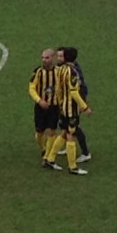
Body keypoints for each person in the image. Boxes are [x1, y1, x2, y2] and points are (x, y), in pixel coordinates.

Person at [43, 46, 93, 174]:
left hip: (62, 107)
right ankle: (73, 167)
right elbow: (74, 92)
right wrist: (85, 107)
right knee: (71, 135)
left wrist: (60, 102)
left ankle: (50, 158)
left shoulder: (60, 70)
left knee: (65, 132)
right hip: (71, 109)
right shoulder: (73, 72)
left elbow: (59, 89)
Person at [58, 46, 92, 163]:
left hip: (75, 102)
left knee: (74, 128)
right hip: (66, 102)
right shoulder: (64, 67)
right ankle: (69, 146)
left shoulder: (73, 70)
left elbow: (78, 89)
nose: (58, 58)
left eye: (61, 56)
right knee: (65, 126)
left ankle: (86, 153)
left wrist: (83, 106)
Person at [29, 48, 59, 163]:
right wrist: (39, 100)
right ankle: (44, 148)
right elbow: (31, 88)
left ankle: (48, 156)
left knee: (52, 130)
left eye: (47, 58)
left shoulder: (59, 71)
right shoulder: (38, 72)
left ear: (53, 58)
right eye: (42, 58)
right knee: (39, 132)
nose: (44, 60)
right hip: (40, 106)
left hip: (54, 106)